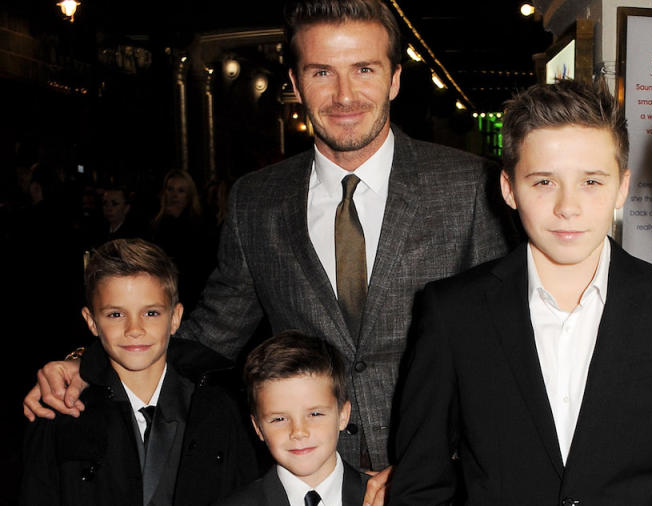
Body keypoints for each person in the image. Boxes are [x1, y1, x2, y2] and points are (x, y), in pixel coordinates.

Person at [24, 0, 510, 501]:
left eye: (363, 69)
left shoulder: (468, 186)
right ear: (296, 85)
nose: (345, 95)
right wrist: (88, 363)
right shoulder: (258, 199)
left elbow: (502, 348)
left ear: (394, 79)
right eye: (322, 72)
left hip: (439, 481)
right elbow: (214, 331)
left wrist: (431, 464)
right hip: (309, 479)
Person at [389, 79, 652, 505]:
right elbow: (420, 485)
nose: (568, 206)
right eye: (544, 182)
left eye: (591, 182)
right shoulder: (453, 313)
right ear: (509, 188)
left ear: (622, 187)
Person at [20, 238, 258, 506]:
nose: (135, 329)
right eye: (116, 315)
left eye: (152, 313)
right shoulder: (61, 413)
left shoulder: (219, 409)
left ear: (176, 317)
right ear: (91, 321)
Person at [217, 331, 369, 506]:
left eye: (314, 414)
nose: (298, 432)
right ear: (258, 427)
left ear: (343, 415)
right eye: (279, 419)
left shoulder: (390, 498)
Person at [152, 170, 215, 312]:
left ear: (189, 195)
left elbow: (198, 261)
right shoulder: (158, 222)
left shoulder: (200, 223)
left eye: (181, 191)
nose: (174, 195)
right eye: (170, 189)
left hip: (192, 293)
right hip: (163, 290)